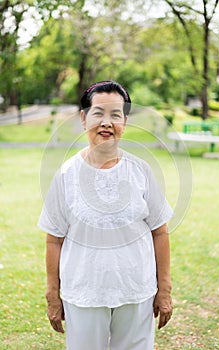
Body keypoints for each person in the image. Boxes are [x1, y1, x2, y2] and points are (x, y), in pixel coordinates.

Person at [38, 80, 173, 350]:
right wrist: (53, 292)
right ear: (83, 118)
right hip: (84, 294)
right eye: (98, 113)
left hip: (136, 292)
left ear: (125, 121)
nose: (106, 122)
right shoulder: (66, 174)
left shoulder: (141, 171)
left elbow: (159, 231)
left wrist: (164, 288)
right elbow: (54, 239)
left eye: (116, 114)